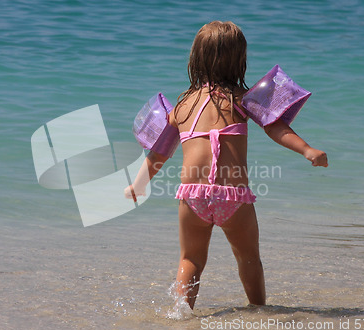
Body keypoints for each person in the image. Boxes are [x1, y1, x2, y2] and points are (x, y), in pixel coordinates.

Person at [124, 21, 328, 311]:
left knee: (190, 259)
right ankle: (259, 310)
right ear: (239, 60)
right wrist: (307, 150)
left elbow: (159, 152)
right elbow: (274, 127)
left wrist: (139, 184)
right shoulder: (241, 101)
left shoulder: (181, 108)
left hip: (192, 195)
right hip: (232, 197)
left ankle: (181, 315)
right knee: (247, 257)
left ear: (195, 59)